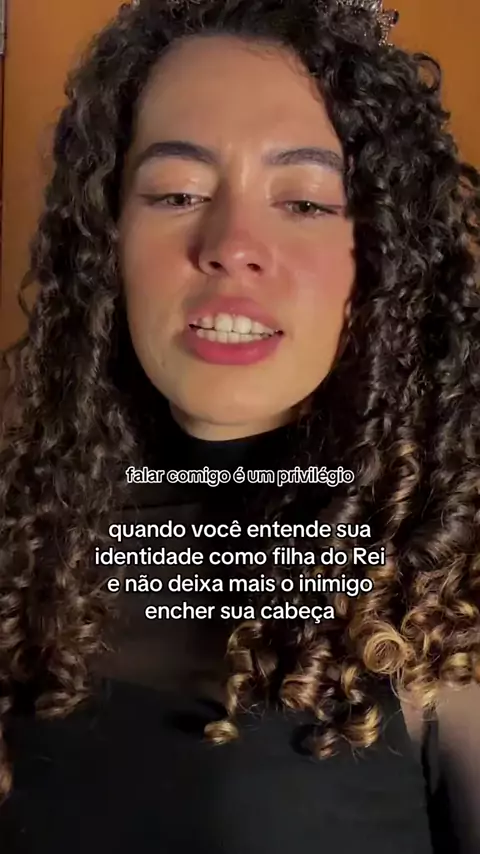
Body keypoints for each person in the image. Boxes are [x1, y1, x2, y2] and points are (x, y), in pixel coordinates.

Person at [0, 0, 479, 851]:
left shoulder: (453, 592)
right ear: (108, 239)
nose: (230, 243)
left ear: (382, 257)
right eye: (178, 193)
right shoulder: (24, 542)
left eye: (305, 202)